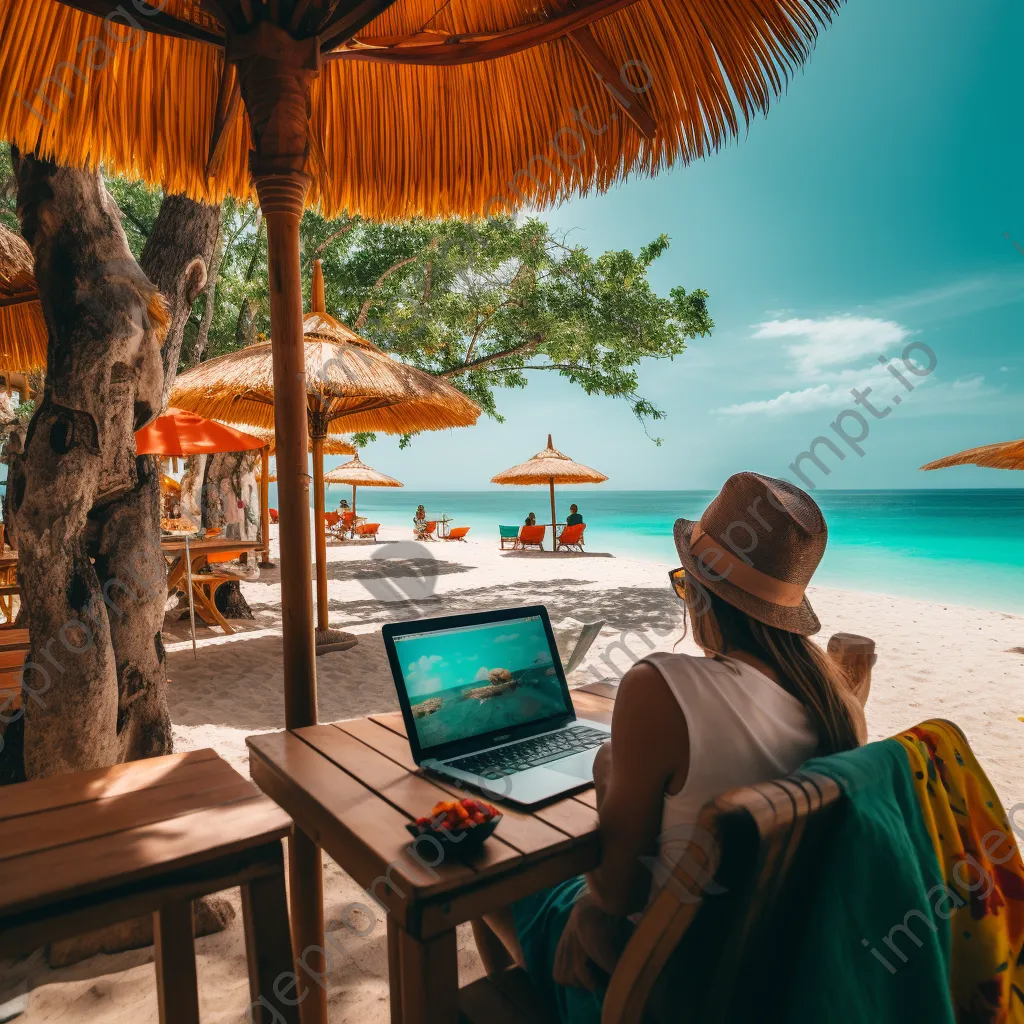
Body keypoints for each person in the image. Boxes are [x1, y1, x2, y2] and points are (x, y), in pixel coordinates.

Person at [471, 472, 867, 1022]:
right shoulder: (832, 702)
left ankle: (521, 999)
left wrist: (608, 778)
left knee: (483, 877)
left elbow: (617, 893)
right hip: (754, 978)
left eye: (684, 583)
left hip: (650, 990)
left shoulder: (660, 686)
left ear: (702, 591)